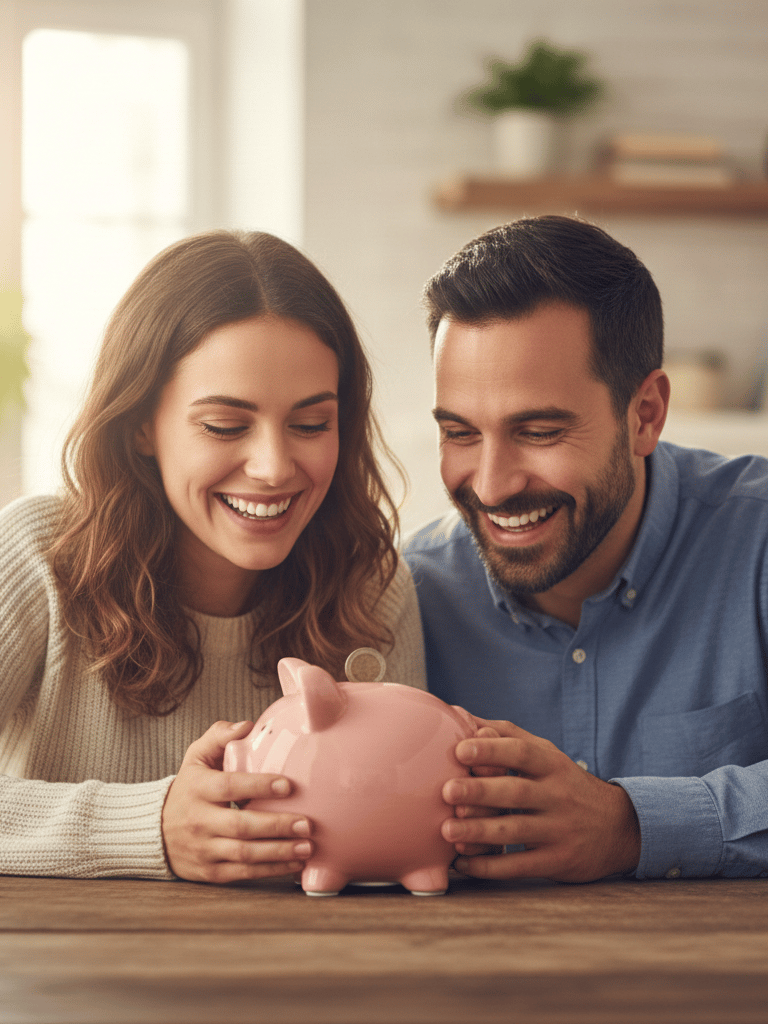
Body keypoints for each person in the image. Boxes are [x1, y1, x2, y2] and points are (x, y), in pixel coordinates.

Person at [0, 229, 425, 884]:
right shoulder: (38, 555)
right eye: (225, 425)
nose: (273, 466)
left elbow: (402, 824)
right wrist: (149, 824)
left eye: (311, 424)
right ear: (140, 425)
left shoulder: (370, 584)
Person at [404, 214, 768, 883]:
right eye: (460, 433)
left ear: (645, 415)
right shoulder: (406, 595)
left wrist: (631, 826)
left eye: (539, 432)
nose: (491, 485)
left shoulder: (757, 541)